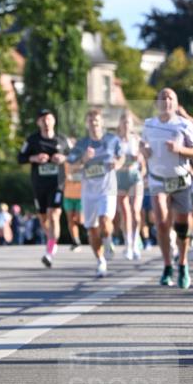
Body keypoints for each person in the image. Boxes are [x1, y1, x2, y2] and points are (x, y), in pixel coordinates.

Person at [140, 88, 193, 289]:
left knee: (182, 227)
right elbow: (143, 145)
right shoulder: (149, 124)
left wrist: (179, 150)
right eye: (162, 97)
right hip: (158, 180)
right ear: (157, 102)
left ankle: (183, 264)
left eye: (170, 97)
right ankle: (167, 266)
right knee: (161, 222)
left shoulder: (184, 124)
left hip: (181, 180)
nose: (166, 100)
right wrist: (144, 151)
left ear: (175, 103)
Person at [68, 109, 124, 277]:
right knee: (92, 229)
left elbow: (121, 157)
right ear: (87, 124)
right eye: (91, 122)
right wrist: (84, 159)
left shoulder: (112, 140)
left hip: (107, 188)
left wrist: (117, 164)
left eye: (97, 122)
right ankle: (100, 261)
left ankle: (108, 241)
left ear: (102, 123)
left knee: (105, 221)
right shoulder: (81, 144)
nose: (94, 125)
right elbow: (71, 168)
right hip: (88, 191)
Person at [18, 108, 70, 267]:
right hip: (39, 184)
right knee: (43, 219)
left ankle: (50, 251)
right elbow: (20, 157)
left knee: (54, 214)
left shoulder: (62, 140)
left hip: (57, 183)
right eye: (43, 120)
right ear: (38, 123)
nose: (46, 122)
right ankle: (51, 240)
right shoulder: (32, 140)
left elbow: (74, 156)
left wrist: (63, 158)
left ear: (54, 121)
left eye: (49, 119)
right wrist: (34, 158)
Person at [116, 111, 145, 260]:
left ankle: (135, 242)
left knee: (135, 211)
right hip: (120, 177)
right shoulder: (115, 141)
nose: (126, 125)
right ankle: (128, 243)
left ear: (132, 125)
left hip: (135, 177)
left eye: (129, 122)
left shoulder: (136, 140)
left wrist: (139, 158)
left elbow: (143, 159)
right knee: (125, 213)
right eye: (124, 122)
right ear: (120, 124)